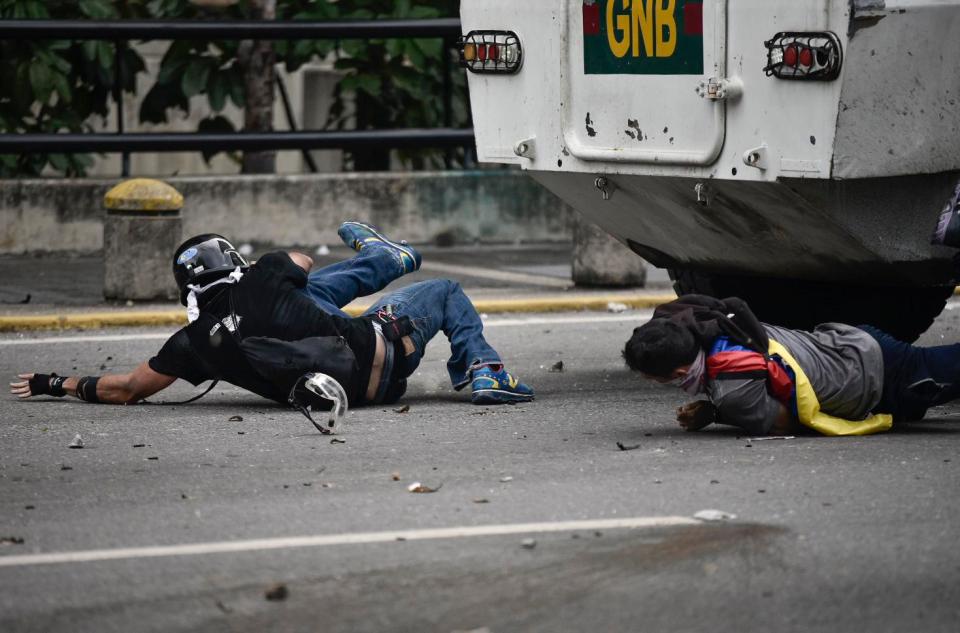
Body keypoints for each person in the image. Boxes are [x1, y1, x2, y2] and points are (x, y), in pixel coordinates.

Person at [10, 222, 534, 414]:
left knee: (315, 297)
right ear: (230, 262)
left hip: (367, 395)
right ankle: (483, 368)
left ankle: (384, 257)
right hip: (388, 353)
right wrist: (264, 269)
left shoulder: (192, 342)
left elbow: (125, 388)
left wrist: (54, 383)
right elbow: (301, 264)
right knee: (444, 291)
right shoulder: (261, 275)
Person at [621, 294, 960, 436]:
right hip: (847, 344)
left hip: (874, 376)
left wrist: (716, 414)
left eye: (654, 379)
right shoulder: (711, 322)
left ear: (679, 373)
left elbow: (785, 423)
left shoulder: (732, 389)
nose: (653, 383)